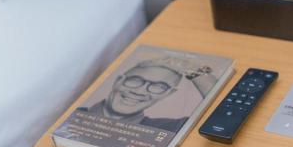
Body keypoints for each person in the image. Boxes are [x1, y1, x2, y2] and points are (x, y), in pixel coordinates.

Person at [80, 56, 217, 133]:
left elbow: (220, 110)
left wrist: (194, 70)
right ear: (118, 81)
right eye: (135, 81)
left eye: (157, 87)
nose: (139, 91)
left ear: (168, 94)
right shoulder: (76, 115)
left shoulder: (169, 128)